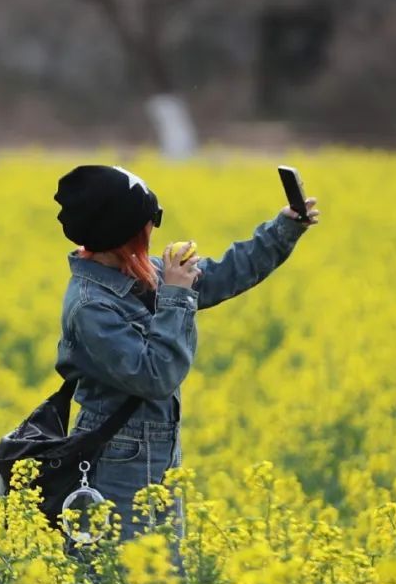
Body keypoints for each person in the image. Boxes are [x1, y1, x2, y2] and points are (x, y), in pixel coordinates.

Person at [51, 163, 320, 557]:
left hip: (155, 451)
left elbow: (222, 275)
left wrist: (283, 230)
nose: (155, 229)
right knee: (122, 581)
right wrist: (176, 294)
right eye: (150, 220)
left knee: (162, 583)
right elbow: (156, 375)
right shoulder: (90, 307)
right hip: (116, 458)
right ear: (123, 231)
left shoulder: (138, 271)